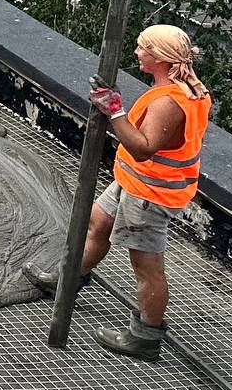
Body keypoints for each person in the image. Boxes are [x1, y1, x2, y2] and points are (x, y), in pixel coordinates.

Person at [23, 24, 212, 361]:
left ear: (161, 57)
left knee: (147, 267)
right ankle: (68, 280)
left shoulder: (169, 101)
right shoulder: (184, 87)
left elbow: (143, 147)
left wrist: (114, 111)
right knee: (97, 223)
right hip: (136, 181)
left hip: (150, 194)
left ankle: (145, 336)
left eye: (143, 49)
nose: (137, 53)